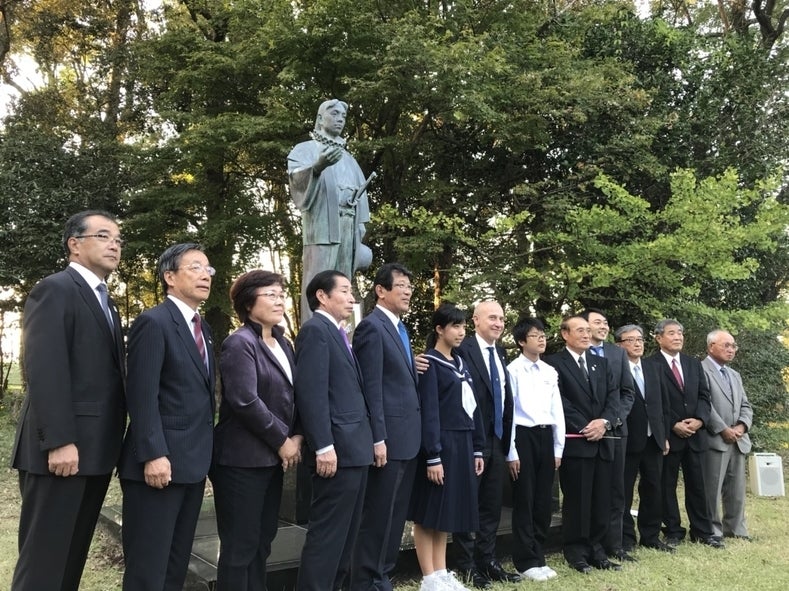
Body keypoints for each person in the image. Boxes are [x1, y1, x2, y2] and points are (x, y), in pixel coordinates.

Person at [10, 210, 126, 591]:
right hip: (60, 453)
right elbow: (46, 369)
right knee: (44, 565)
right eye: (104, 236)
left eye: (118, 240)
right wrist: (59, 441)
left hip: (94, 452)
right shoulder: (55, 289)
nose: (114, 245)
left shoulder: (106, 302)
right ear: (74, 244)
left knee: (71, 560)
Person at [118, 243, 217, 590]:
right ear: (169, 277)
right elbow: (142, 395)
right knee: (149, 569)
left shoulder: (202, 328)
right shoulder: (153, 322)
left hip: (191, 464)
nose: (205, 275)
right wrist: (154, 454)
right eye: (195, 267)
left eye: (208, 269)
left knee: (175, 566)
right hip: (159, 465)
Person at [211, 270, 303, 590]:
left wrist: (297, 435)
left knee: (263, 541)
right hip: (240, 461)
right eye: (271, 295)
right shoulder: (239, 343)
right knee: (240, 546)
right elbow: (245, 401)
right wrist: (282, 440)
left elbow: (294, 395)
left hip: (271, 460)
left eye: (281, 295)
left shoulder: (283, 343)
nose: (280, 301)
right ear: (248, 303)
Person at [294, 270, 374, 591]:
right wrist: (323, 445)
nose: (351, 298)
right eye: (344, 290)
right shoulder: (315, 331)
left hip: (356, 450)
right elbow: (311, 394)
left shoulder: (339, 333)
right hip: (336, 452)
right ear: (322, 296)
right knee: (328, 536)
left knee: (347, 536)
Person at [351, 263, 421, 591]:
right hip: (388, 441)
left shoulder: (398, 328)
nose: (408, 291)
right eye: (401, 285)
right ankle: (366, 580)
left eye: (410, 286)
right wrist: (378, 438)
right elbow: (372, 389)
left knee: (395, 515)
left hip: (407, 439)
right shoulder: (372, 328)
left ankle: (382, 576)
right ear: (381, 290)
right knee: (379, 514)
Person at [408, 304, 485, 591]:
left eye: (463, 326)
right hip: (441, 443)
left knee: (445, 513)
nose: (461, 332)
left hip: (462, 443)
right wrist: (433, 455)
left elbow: (474, 409)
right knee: (428, 512)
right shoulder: (429, 364)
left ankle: (441, 572)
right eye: (455, 326)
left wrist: (477, 447)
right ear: (439, 329)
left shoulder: (461, 363)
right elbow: (429, 411)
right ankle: (428, 577)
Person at [544, 315, 620, 574]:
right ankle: (576, 551)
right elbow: (559, 401)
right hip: (578, 443)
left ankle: (597, 550)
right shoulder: (554, 363)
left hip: (603, 441)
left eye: (588, 330)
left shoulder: (602, 363)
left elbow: (613, 398)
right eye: (580, 330)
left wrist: (604, 423)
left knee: (601, 499)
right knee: (577, 500)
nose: (587, 334)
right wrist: (586, 426)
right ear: (565, 334)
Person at [288, 99, 372, 321]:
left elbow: (361, 197)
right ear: (319, 118)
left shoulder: (350, 159)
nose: (339, 119)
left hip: (348, 228)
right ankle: (314, 330)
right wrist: (317, 166)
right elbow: (296, 180)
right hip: (322, 230)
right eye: (334, 114)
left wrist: (359, 228)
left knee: (344, 283)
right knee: (318, 283)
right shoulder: (305, 149)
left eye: (343, 116)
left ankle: (342, 334)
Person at [453, 301, 517, 588]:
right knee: (469, 505)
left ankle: (487, 560)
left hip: (497, 439)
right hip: (471, 440)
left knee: (491, 505)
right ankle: (466, 566)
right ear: (475, 320)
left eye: (501, 318)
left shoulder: (500, 353)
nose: (498, 323)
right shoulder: (462, 350)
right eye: (492, 317)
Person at [647, 319, 723, 549]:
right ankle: (673, 530)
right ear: (659, 338)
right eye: (671, 333)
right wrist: (673, 424)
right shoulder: (650, 364)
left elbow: (704, 396)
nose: (678, 337)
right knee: (666, 485)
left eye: (680, 333)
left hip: (695, 435)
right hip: (669, 436)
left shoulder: (692, 363)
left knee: (698, 485)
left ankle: (703, 531)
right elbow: (653, 401)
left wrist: (699, 420)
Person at [506, 317, 565, 581]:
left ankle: (538, 554)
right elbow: (509, 414)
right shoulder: (513, 371)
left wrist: (558, 447)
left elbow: (557, 410)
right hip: (522, 436)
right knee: (525, 499)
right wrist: (511, 452)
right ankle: (525, 560)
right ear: (521, 341)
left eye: (543, 335)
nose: (541, 339)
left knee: (543, 500)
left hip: (545, 436)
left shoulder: (549, 371)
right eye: (535, 335)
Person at [581, 308, 636, 563]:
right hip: (585, 433)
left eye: (605, 322)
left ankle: (614, 545)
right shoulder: (577, 353)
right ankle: (587, 544)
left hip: (615, 432)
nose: (603, 326)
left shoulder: (617, 353)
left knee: (616, 490)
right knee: (590, 491)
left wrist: (610, 421)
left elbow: (627, 393)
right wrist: (591, 424)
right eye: (597, 322)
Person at [614, 324, 673, 553]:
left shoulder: (652, 367)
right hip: (628, 439)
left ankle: (651, 535)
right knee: (624, 490)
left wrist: (664, 435)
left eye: (639, 339)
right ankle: (626, 537)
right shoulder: (615, 368)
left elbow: (663, 404)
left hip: (653, 438)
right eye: (630, 340)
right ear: (619, 345)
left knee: (653, 488)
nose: (637, 343)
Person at [701, 329, 753, 541]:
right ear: (711, 346)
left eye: (733, 346)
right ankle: (713, 530)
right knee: (711, 488)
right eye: (726, 345)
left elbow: (745, 405)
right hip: (715, 439)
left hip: (738, 439)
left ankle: (736, 528)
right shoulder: (700, 370)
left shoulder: (734, 375)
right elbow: (704, 405)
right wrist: (723, 429)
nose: (731, 349)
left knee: (737, 489)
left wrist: (742, 426)